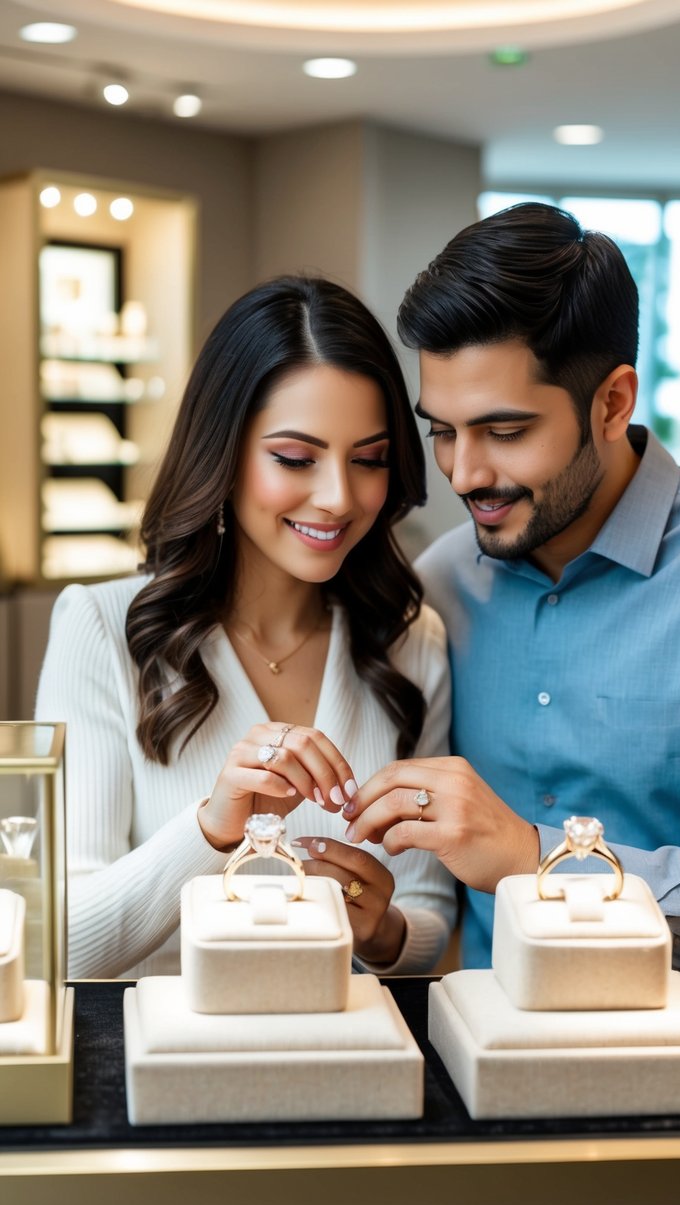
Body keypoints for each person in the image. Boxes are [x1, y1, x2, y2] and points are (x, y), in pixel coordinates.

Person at [340, 202, 680, 972]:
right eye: (441, 430)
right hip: (478, 1043)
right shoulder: (440, 584)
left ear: (612, 402)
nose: (464, 475)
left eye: (503, 433)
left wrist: (534, 859)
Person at [35, 275, 455, 979]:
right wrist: (211, 828)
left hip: (350, 1058)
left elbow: (427, 916)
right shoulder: (102, 630)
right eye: (295, 458)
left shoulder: (411, 645)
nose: (337, 498)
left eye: (369, 460)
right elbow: (61, 946)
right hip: (157, 1068)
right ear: (223, 453)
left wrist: (382, 932)